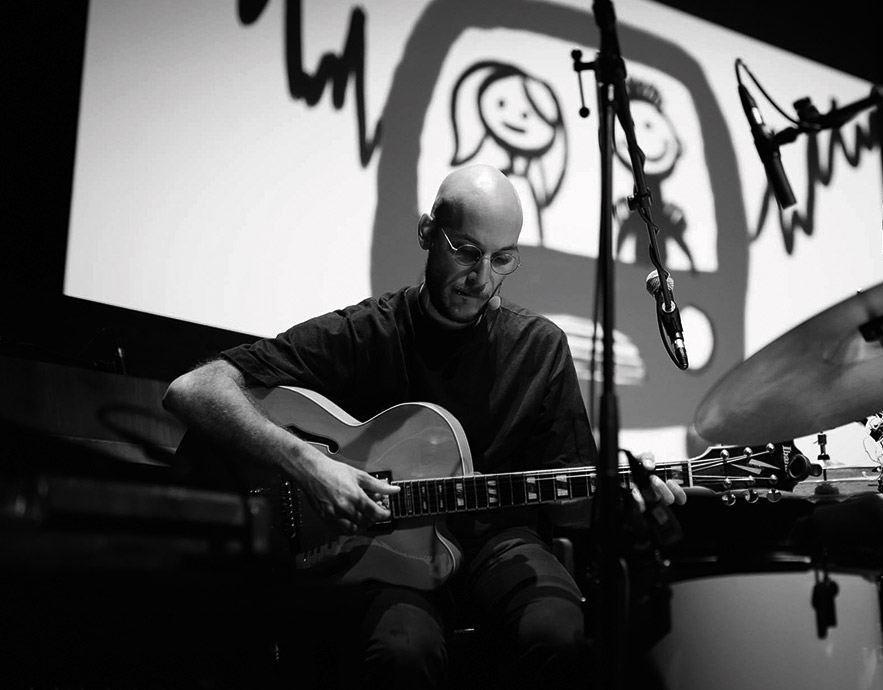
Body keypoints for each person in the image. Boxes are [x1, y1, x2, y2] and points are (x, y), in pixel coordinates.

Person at [162, 164, 686, 689]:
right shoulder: (366, 333)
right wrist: (311, 466)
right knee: (403, 654)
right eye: (467, 251)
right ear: (427, 233)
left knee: (559, 635)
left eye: (502, 258)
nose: (482, 278)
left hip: (498, 544)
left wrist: (631, 497)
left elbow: (575, 496)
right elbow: (193, 389)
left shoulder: (538, 348)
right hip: (384, 553)